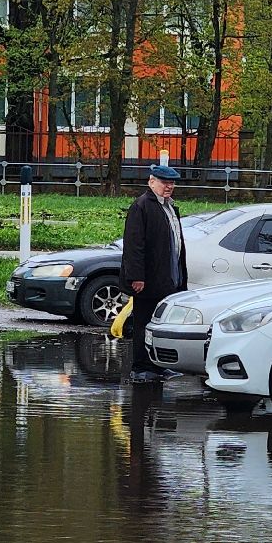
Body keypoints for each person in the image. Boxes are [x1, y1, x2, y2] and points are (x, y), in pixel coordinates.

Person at [121, 163, 188, 381]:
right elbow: (134, 245)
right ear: (152, 182)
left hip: (167, 278)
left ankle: (157, 365)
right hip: (148, 280)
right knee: (143, 323)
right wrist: (136, 277)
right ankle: (140, 367)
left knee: (160, 324)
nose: (169, 186)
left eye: (172, 183)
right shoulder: (142, 206)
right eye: (164, 182)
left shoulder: (168, 206)